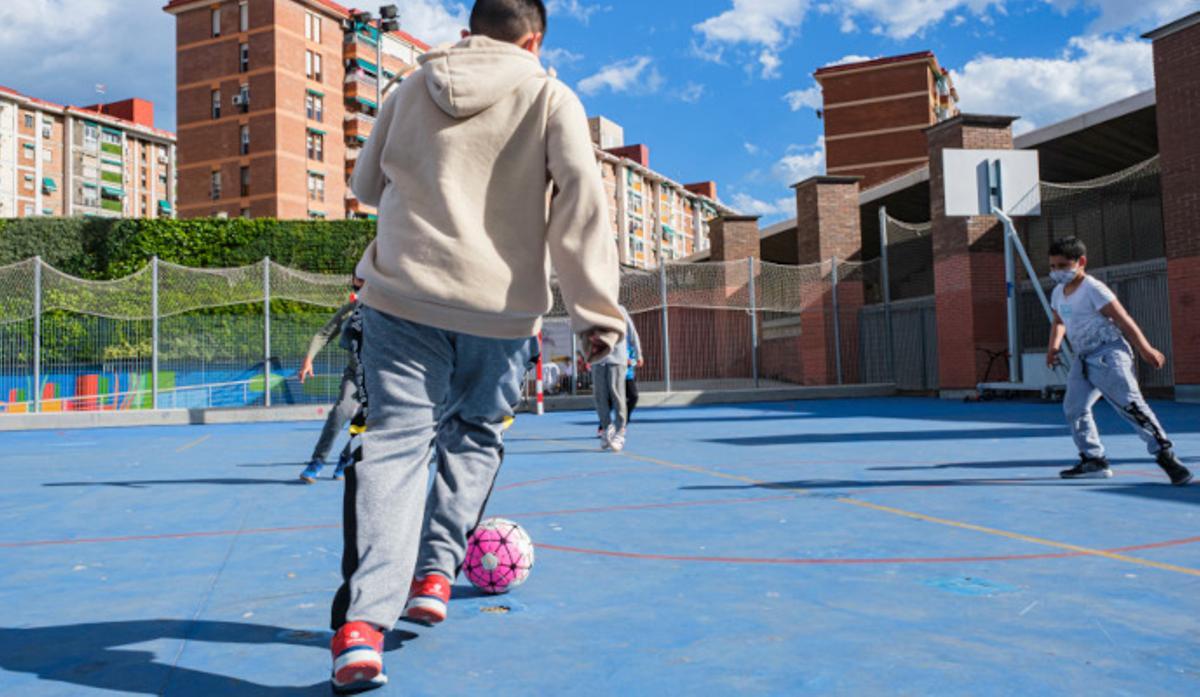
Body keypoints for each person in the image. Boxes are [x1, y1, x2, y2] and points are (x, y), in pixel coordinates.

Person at [326, 0, 624, 692]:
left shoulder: (407, 89)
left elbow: (364, 185)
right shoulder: (551, 96)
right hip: (502, 311)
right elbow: (581, 206)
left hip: (402, 296)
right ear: (534, 38)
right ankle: (436, 571)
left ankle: (362, 627)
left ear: (468, 32)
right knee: (477, 434)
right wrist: (596, 319)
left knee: (394, 447)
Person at [1047, 237, 1191, 486]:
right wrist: (1054, 347)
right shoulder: (1058, 292)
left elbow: (1123, 319)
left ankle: (1166, 456)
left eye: (1062, 266)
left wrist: (1145, 349)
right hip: (1082, 359)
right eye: (1052, 266)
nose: (1057, 272)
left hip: (1108, 355)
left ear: (1081, 262)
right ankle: (1094, 460)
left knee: (1131, 406)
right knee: (1074, 408)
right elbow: (1059, 321)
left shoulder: (1094, 289)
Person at [298, 282, 362, 484]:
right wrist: (309, 358)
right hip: (354, 374)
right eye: (357, 286)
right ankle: (317, 462)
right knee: (340, 412)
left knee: (366, 423)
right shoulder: (351, 310)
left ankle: (346, 458)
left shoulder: (391, 309)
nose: (359, 292)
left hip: (380, 378)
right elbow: (324, 334)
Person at [591, 304, 641, 452]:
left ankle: (620, 432)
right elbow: (585, 334)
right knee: (600, 397)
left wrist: (638, 353)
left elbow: (632, 332)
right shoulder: (592, 310)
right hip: (598, 359)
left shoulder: (620, 310)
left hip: (617, 358)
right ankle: (607, 429)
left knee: (617, 395)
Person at [625, 330, 643, 423]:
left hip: (628, 376)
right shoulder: (613, 342)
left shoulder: (629, 344)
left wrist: (631, 362)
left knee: (634, 396)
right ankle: (602, 426)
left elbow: (635, 360)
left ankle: (626, 416)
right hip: (614, 376)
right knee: (610, 401)